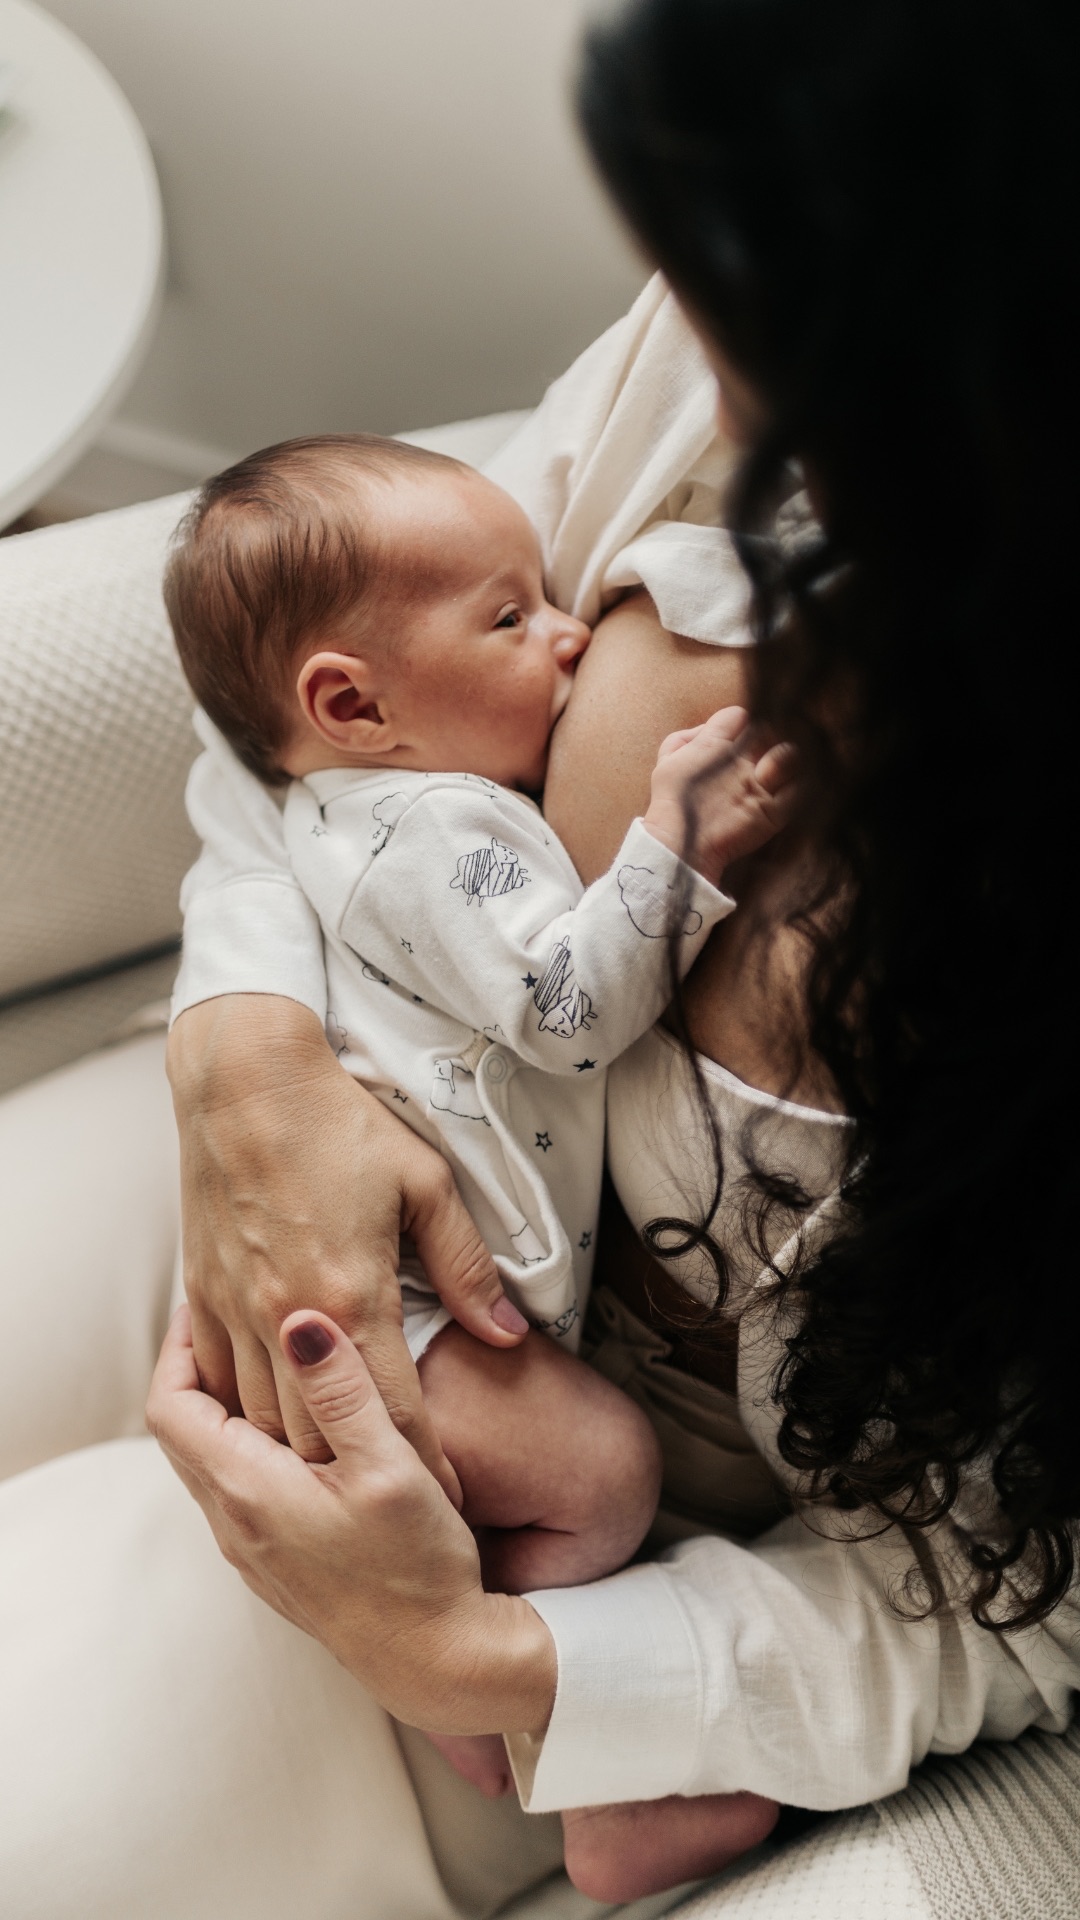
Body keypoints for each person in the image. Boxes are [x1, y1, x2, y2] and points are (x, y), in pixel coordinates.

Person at [3, 2, 1077, 1914]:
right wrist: (243, 1054)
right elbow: (319, 722)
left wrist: (492, 1667)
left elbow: (1032, 1625)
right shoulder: (772, 320)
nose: (708, 363)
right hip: (318, 1152)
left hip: (607, 1531)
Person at [164, 430, 792, 1870]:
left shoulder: (347, 801)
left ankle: (482, 1705)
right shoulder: (434, 829)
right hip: (399, 1307)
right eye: (511, 618)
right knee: (604, 1472)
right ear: (351, 704)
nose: (569, 634)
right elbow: (566, 1012)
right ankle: (570, 1773)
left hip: (362, 1280)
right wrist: (677, 844)